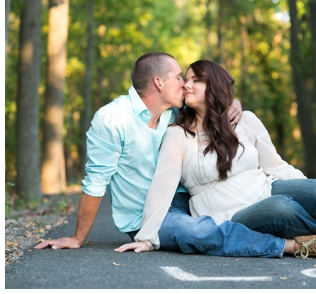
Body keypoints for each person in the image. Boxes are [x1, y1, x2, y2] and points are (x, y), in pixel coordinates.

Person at [115, 61, 316, 259]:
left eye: (195, 79)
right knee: (281, 208)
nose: (186, 84)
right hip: (227, 212)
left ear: (214, 86)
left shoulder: (246, 120)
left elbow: (275, 165)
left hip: (263, 187)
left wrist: (308, 191)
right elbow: (163, 185)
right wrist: (147, 237)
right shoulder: (178, 134)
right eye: (185, 79)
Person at [36, 52, 293, 258]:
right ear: (159, 82)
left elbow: (213, 104)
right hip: (145, 216)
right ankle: (290, 247)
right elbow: (95, 182)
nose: (185, 84)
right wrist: (78, 238)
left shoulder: (175, 114)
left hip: (187, 203)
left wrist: (232, 104)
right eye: (180, 77)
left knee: (255, 212)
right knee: (197, 232)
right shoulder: (113, 119)